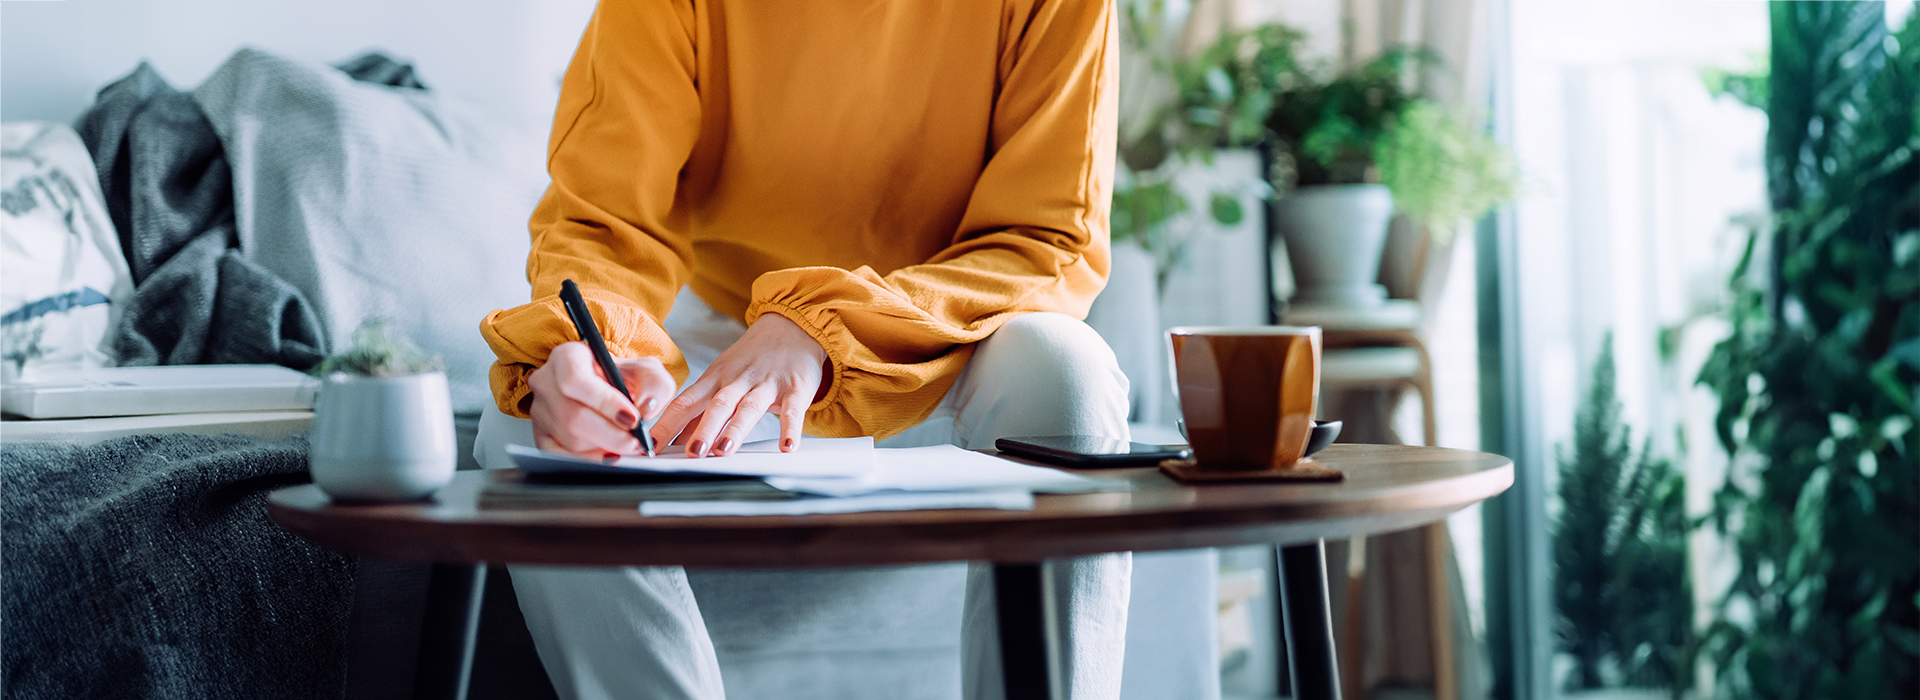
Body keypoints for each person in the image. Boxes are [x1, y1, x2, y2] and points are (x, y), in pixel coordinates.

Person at [473, 0, 1132, 697]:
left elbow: (1048, 238)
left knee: (1071, 371)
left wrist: (819, 324)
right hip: (726, 331)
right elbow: (604, 221)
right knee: (538, 418)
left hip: (946, 333)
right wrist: (595, 348)